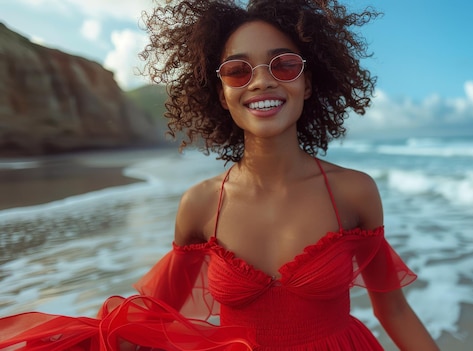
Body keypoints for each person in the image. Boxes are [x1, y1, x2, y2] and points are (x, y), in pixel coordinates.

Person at [0, 0, 440, 350]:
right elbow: (154, 319)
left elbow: (394, 312)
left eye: (284, 65)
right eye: (237, 70)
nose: (262, 81)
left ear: (307, 82)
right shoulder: (200, 205)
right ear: (222, 93)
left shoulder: (353, 192)